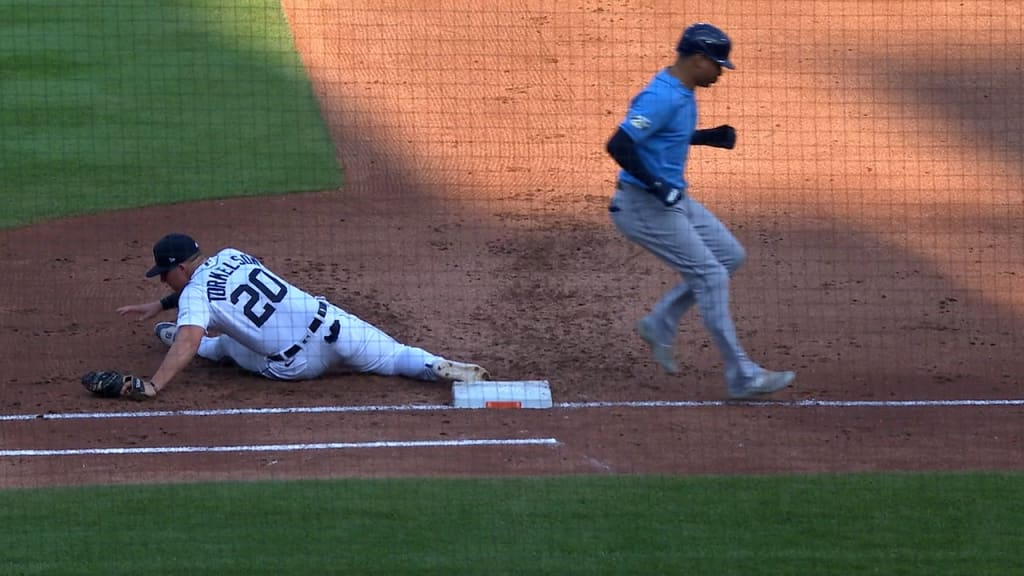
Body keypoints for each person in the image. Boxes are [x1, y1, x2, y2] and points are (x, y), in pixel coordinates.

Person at [605, 22, 795, 399]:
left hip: (672, 200)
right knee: (711, 276)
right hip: (644, 205)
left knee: (729, 258)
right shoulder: (661, 96)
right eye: (717, 64)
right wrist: (658, 186)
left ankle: (660, 323)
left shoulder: (682, 90)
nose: (722, 72)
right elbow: (619, 144)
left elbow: (663, 134)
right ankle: (742, 375)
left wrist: (707, 137)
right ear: (696, 59)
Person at [115, 233, 490, 398]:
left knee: (226, 345)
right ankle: (436, 365)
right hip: (332, 325)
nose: (162, 280)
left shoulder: (195, 297)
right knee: (394, 356)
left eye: (164, 274)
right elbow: (217, 290)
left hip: (295, 366)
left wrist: (154, 385)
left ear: (179, 268)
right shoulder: (232, 254)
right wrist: (163, 305)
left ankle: (203, 348)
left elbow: (190, 335)